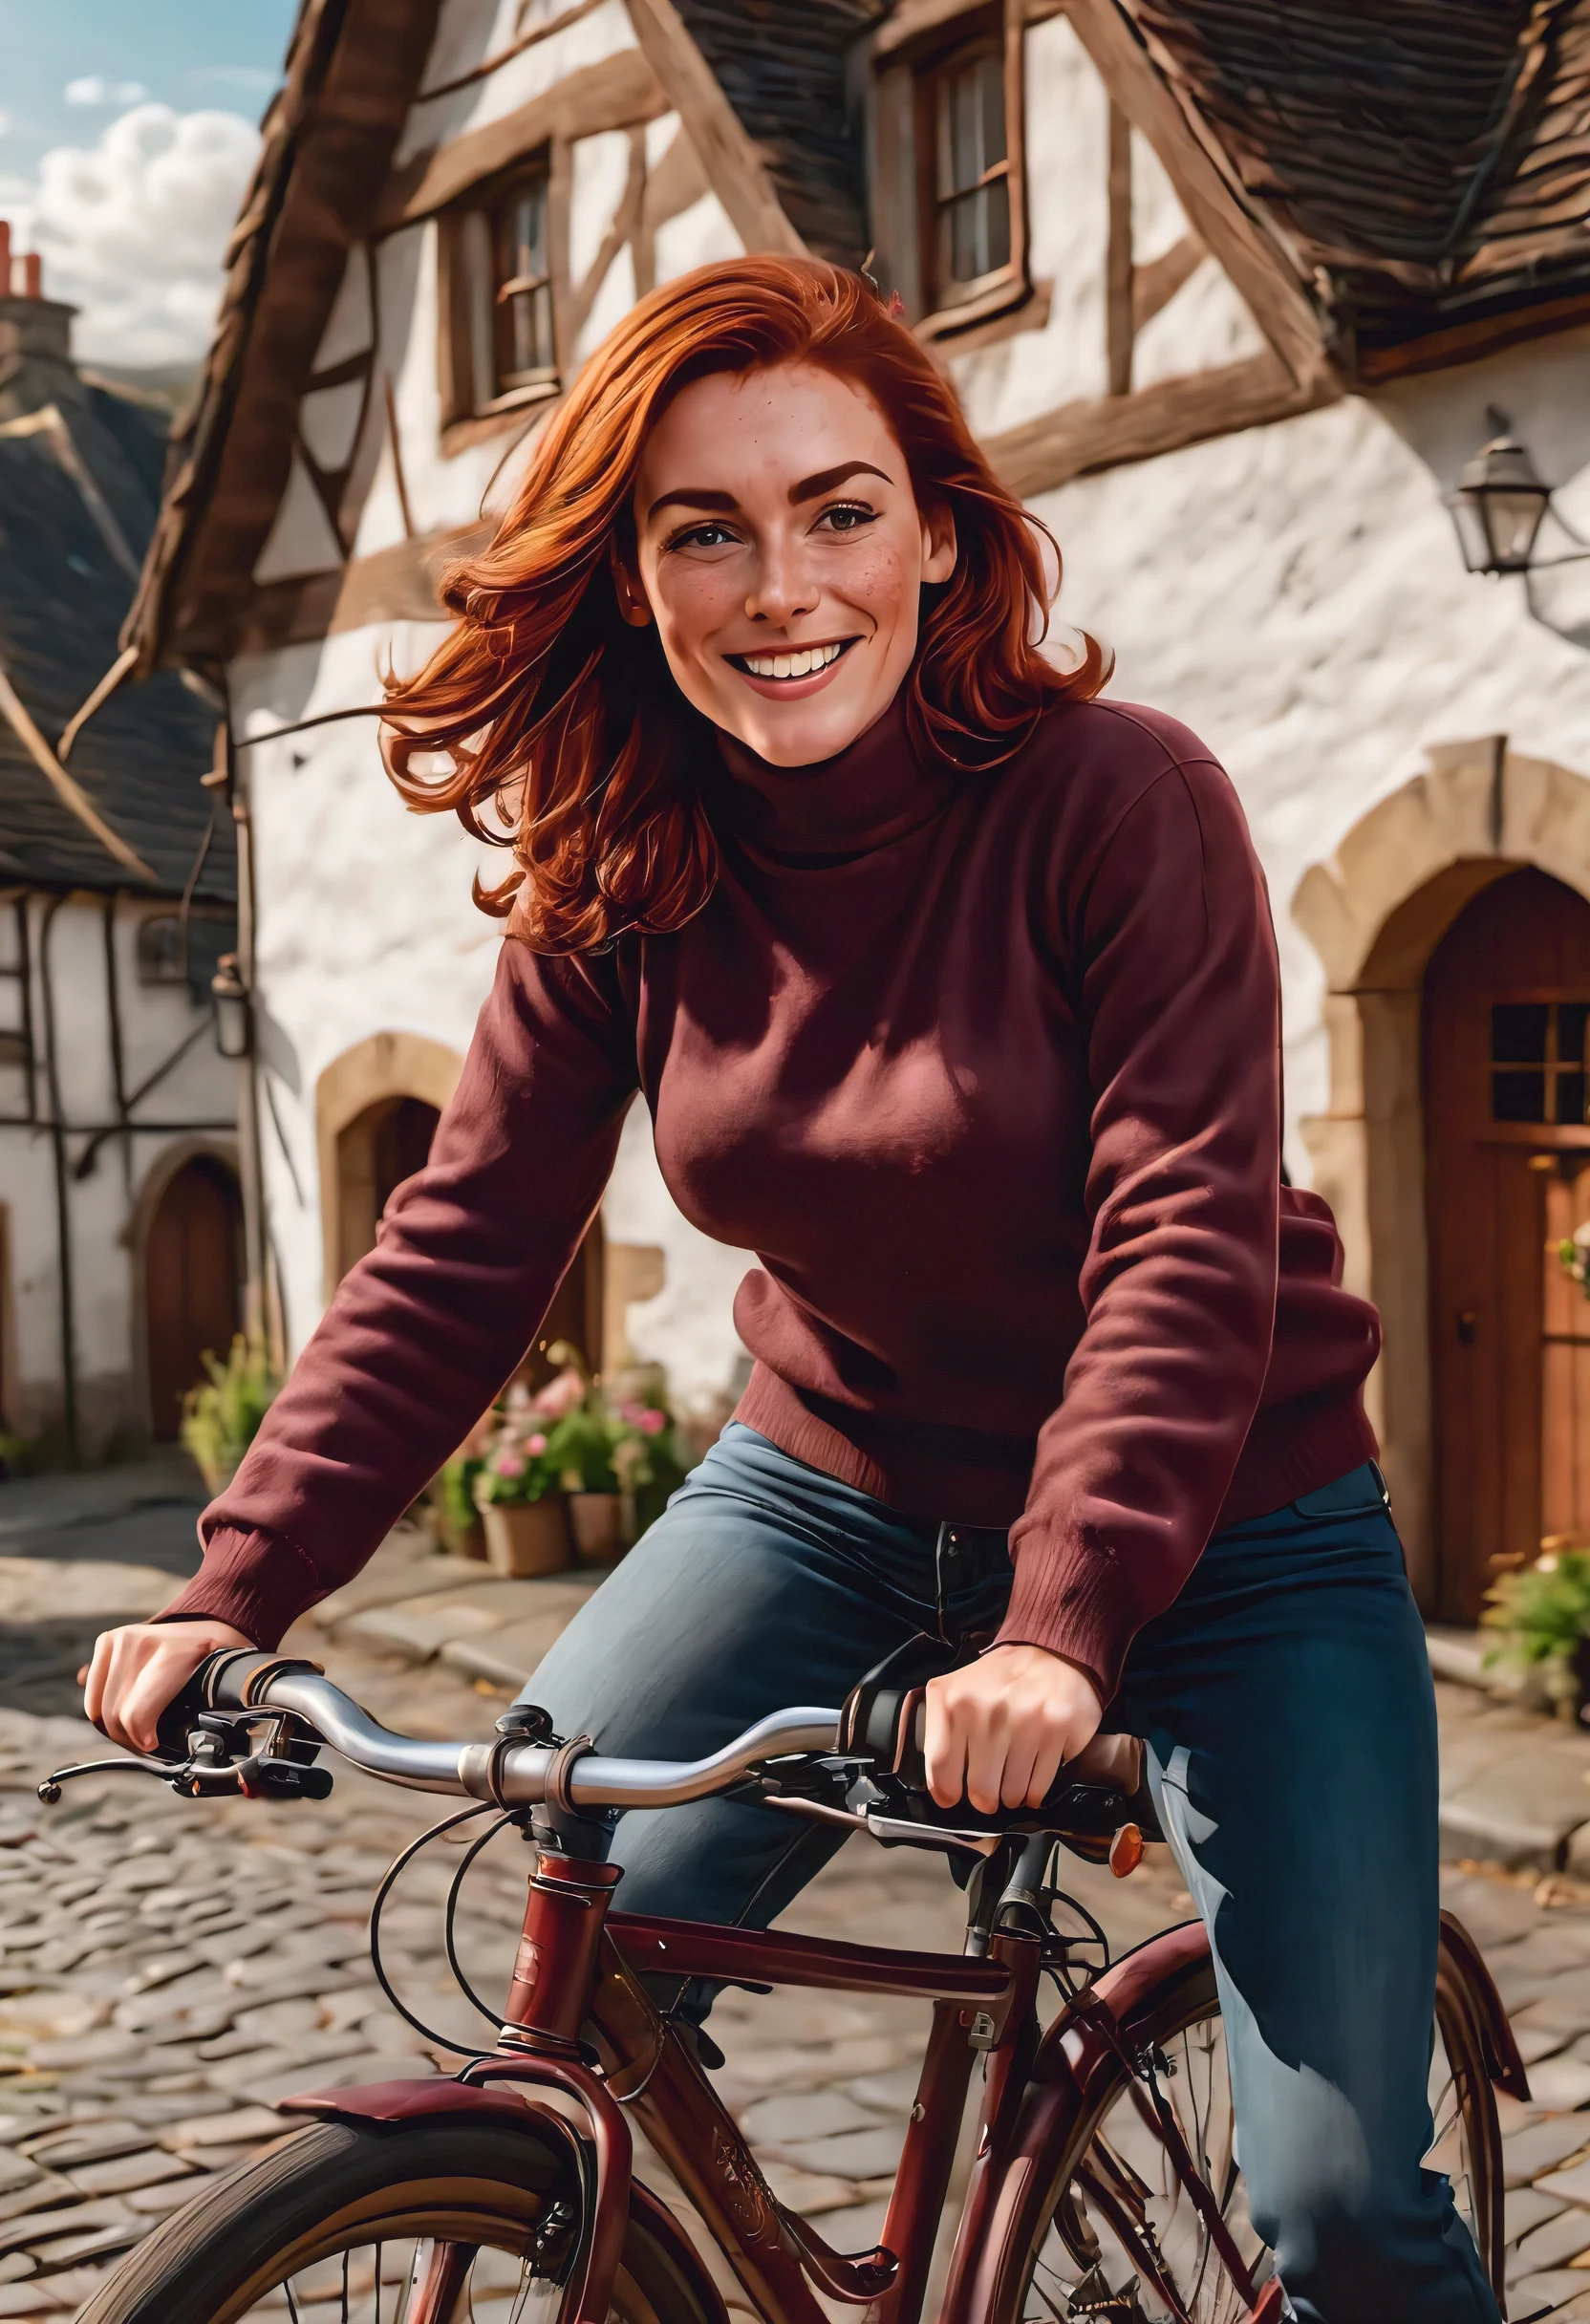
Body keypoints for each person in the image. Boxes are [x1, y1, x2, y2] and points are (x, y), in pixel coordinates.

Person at [85, 258, 1492, 2322]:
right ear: (635, 575)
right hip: (824, 1490)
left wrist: (1058, 1626)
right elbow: (464, 1240)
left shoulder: (1120, 802)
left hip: (1232, 1530)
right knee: (567, 1969)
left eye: (836, 510)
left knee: (1346, 2205)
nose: (780, 585)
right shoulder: (620, 867)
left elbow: (1178, 1229)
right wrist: (235, 1584)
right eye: (702, 529)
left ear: (935, 530)